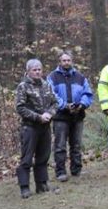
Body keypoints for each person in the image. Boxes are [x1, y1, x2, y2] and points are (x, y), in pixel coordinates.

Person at [15, 59, 58, 199]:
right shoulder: (23, 86)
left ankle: (42, 184)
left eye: (39, 69)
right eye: (34, 70)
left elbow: (55, 103)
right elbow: (20, 108)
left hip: (45, 127)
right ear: (28, 71)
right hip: (30, 127)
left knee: (43, 156)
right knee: (27, 158)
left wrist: (49, 114)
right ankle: (24, 187)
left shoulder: (46, 85)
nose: (37, 72)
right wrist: (37, 117)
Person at [47, 51, 93, 181]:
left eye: (68, 60)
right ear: (59, 62)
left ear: (72, 61)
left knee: (76, 144)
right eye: (64, 60)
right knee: (60, 145)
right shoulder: (52, 77)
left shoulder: (80, 76)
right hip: (60, 116)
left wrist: (82, 104)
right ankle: (60, 171)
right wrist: (65, 105)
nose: (66, 62)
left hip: (78, 115)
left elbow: (87, 93)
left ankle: (76, 169)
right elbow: (51, 95)